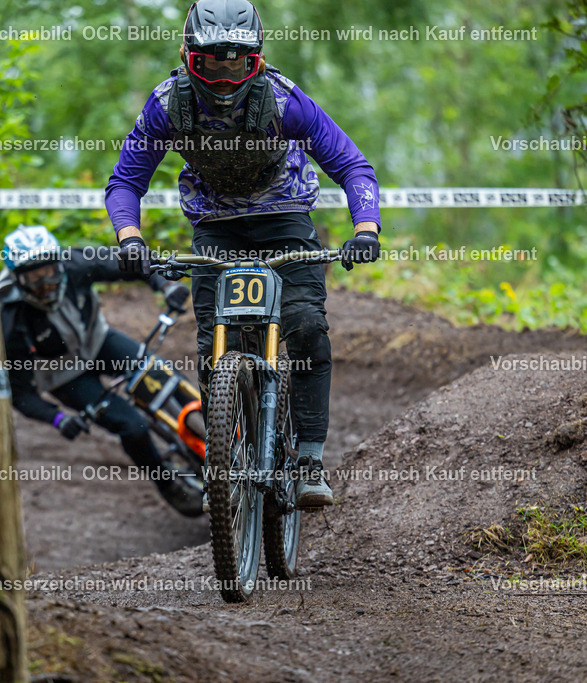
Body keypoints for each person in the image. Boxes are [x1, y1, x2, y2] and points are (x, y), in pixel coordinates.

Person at [106, 0, 381, 509]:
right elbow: (126, 181)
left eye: (237, 61)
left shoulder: (284, 100)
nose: (225, 73)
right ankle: (224, 459)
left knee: (304, 324)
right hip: (216, 225)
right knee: (213, 340)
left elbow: (352, 165)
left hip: (285, 216)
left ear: (254, 58)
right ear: (191, 58)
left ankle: (310, 459)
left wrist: (365, 229)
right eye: (212, 61)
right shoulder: (167, 104)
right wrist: (130, 238)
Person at [0, 225, 204, 517]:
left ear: (60, 262)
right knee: (133, 427)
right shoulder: (12, 319)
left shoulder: (77, 264)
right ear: (18, 279)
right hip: (64, 375)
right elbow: (19, 393)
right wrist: (57, 419)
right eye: (34, 277)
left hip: (98, 341)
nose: (46, 283)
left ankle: (217, 429)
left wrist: (166, 286)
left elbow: (136, 261)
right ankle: (168, 485)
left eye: (50, 271)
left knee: (164, 375)